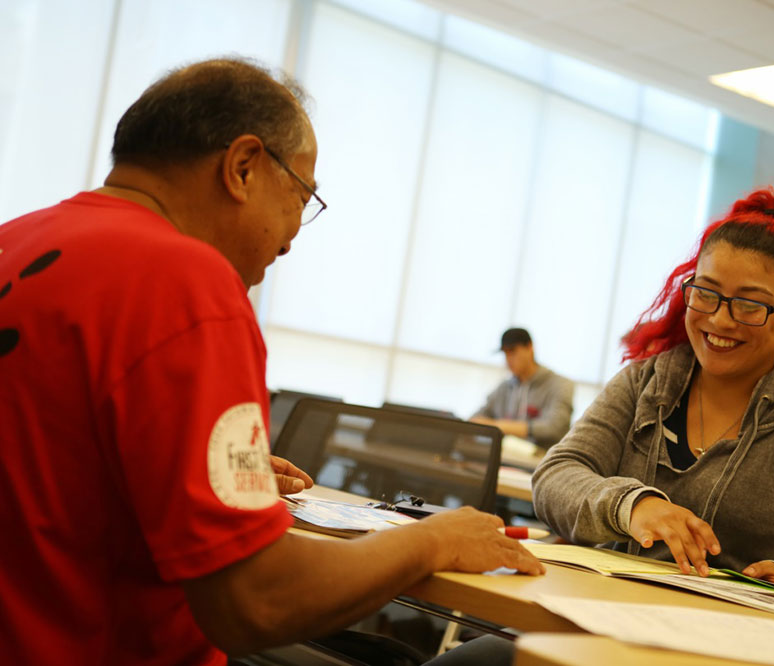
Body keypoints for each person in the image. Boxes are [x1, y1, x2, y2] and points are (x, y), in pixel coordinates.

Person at [0, 58, 542, 665]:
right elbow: (252, 600)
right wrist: (433, 541)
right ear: (243, 167)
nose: (291, 237)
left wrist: (224, 479)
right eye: (302, 196)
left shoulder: (15, 241)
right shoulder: (187, 284)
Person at [532, 186, 774, 602]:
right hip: (598, 617)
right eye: (706, 293)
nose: (720, 320)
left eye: (750, 305)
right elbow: (555, 477)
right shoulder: (646, 382)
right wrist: (632, 505)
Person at [471, 327, 574, 449]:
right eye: (505, 354)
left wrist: (500, 426)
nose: (508, 360)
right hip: (506, 457)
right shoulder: (504, 387)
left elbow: (554, 428)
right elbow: (476, 418)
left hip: (541, 461)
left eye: (512, 351)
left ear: (530, 347)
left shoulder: (560, 385)